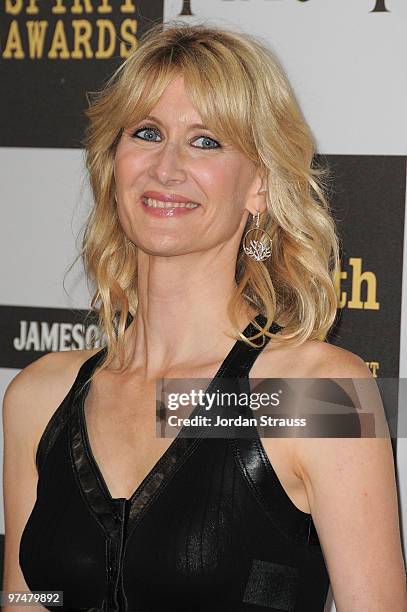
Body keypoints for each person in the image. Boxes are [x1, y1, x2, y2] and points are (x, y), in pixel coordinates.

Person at [3, 20, 406, 612]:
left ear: (260, 187)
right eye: (146, 133)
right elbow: (24, 596)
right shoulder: (39, 396)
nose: (166, 168)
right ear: (113, 164)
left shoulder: (317, 393)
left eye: (206, 141)